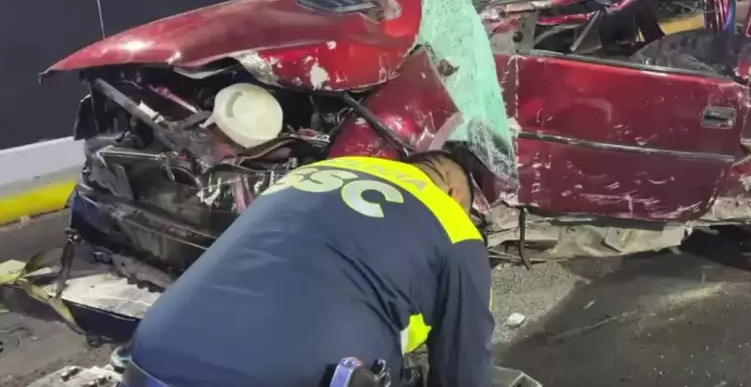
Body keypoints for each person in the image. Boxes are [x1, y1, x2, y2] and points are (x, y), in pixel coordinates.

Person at [123, 152, 494, 387]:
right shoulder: (453, 225)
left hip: (152, 354)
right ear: (453, 194)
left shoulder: (312, 173)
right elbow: (464, 368)